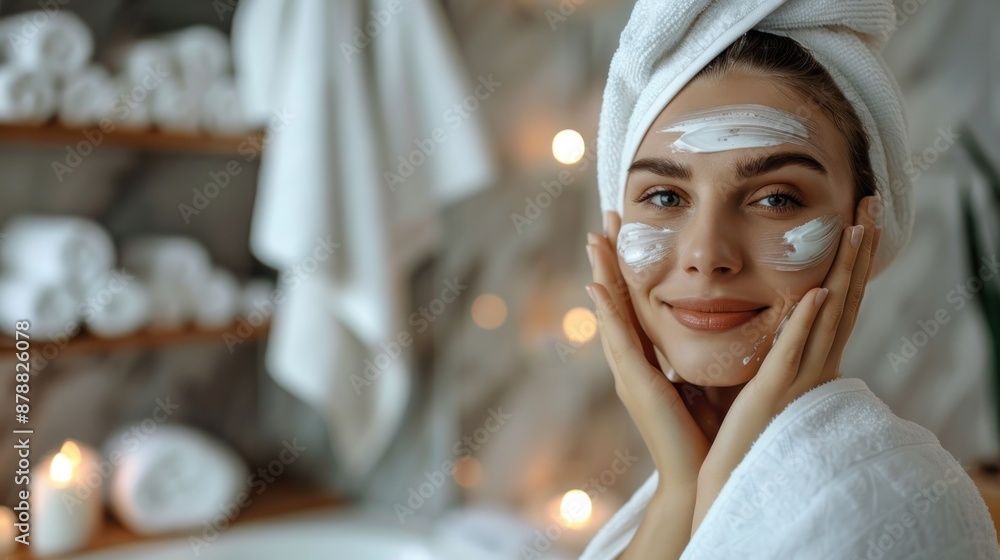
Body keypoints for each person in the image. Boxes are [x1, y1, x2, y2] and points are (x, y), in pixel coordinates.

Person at [579, 1, 1000, 559]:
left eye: (776, 199)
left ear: (862, 223)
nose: (707, 254)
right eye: (664, 196)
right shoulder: (678, 484)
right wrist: (683, 495)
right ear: (616, 229)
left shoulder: (895, 504)